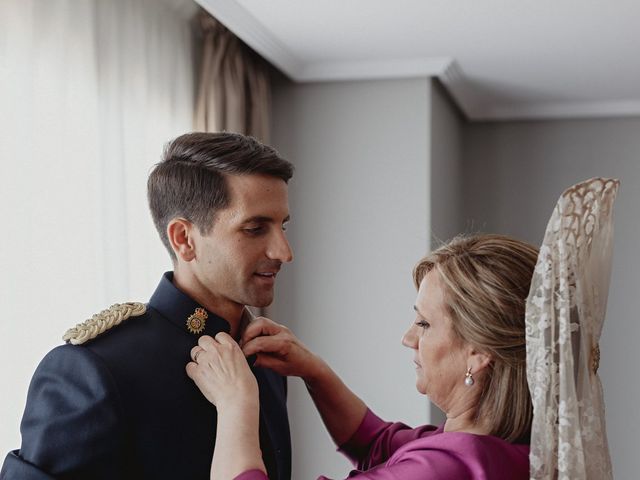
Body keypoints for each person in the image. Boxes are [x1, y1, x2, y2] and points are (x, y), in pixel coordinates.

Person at [0, 132, 294, 480]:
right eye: (256, 228)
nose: (284, 252)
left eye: (282, 227)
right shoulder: (92, 369)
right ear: (184, 239)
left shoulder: (264, 357)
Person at [187, 234, 537, 479]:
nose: (408, 337)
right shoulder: (501, 447)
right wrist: (315, 372)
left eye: (424, 323)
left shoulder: (453, 466)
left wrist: (237, 404)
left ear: (478, 354)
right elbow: (378, 443)